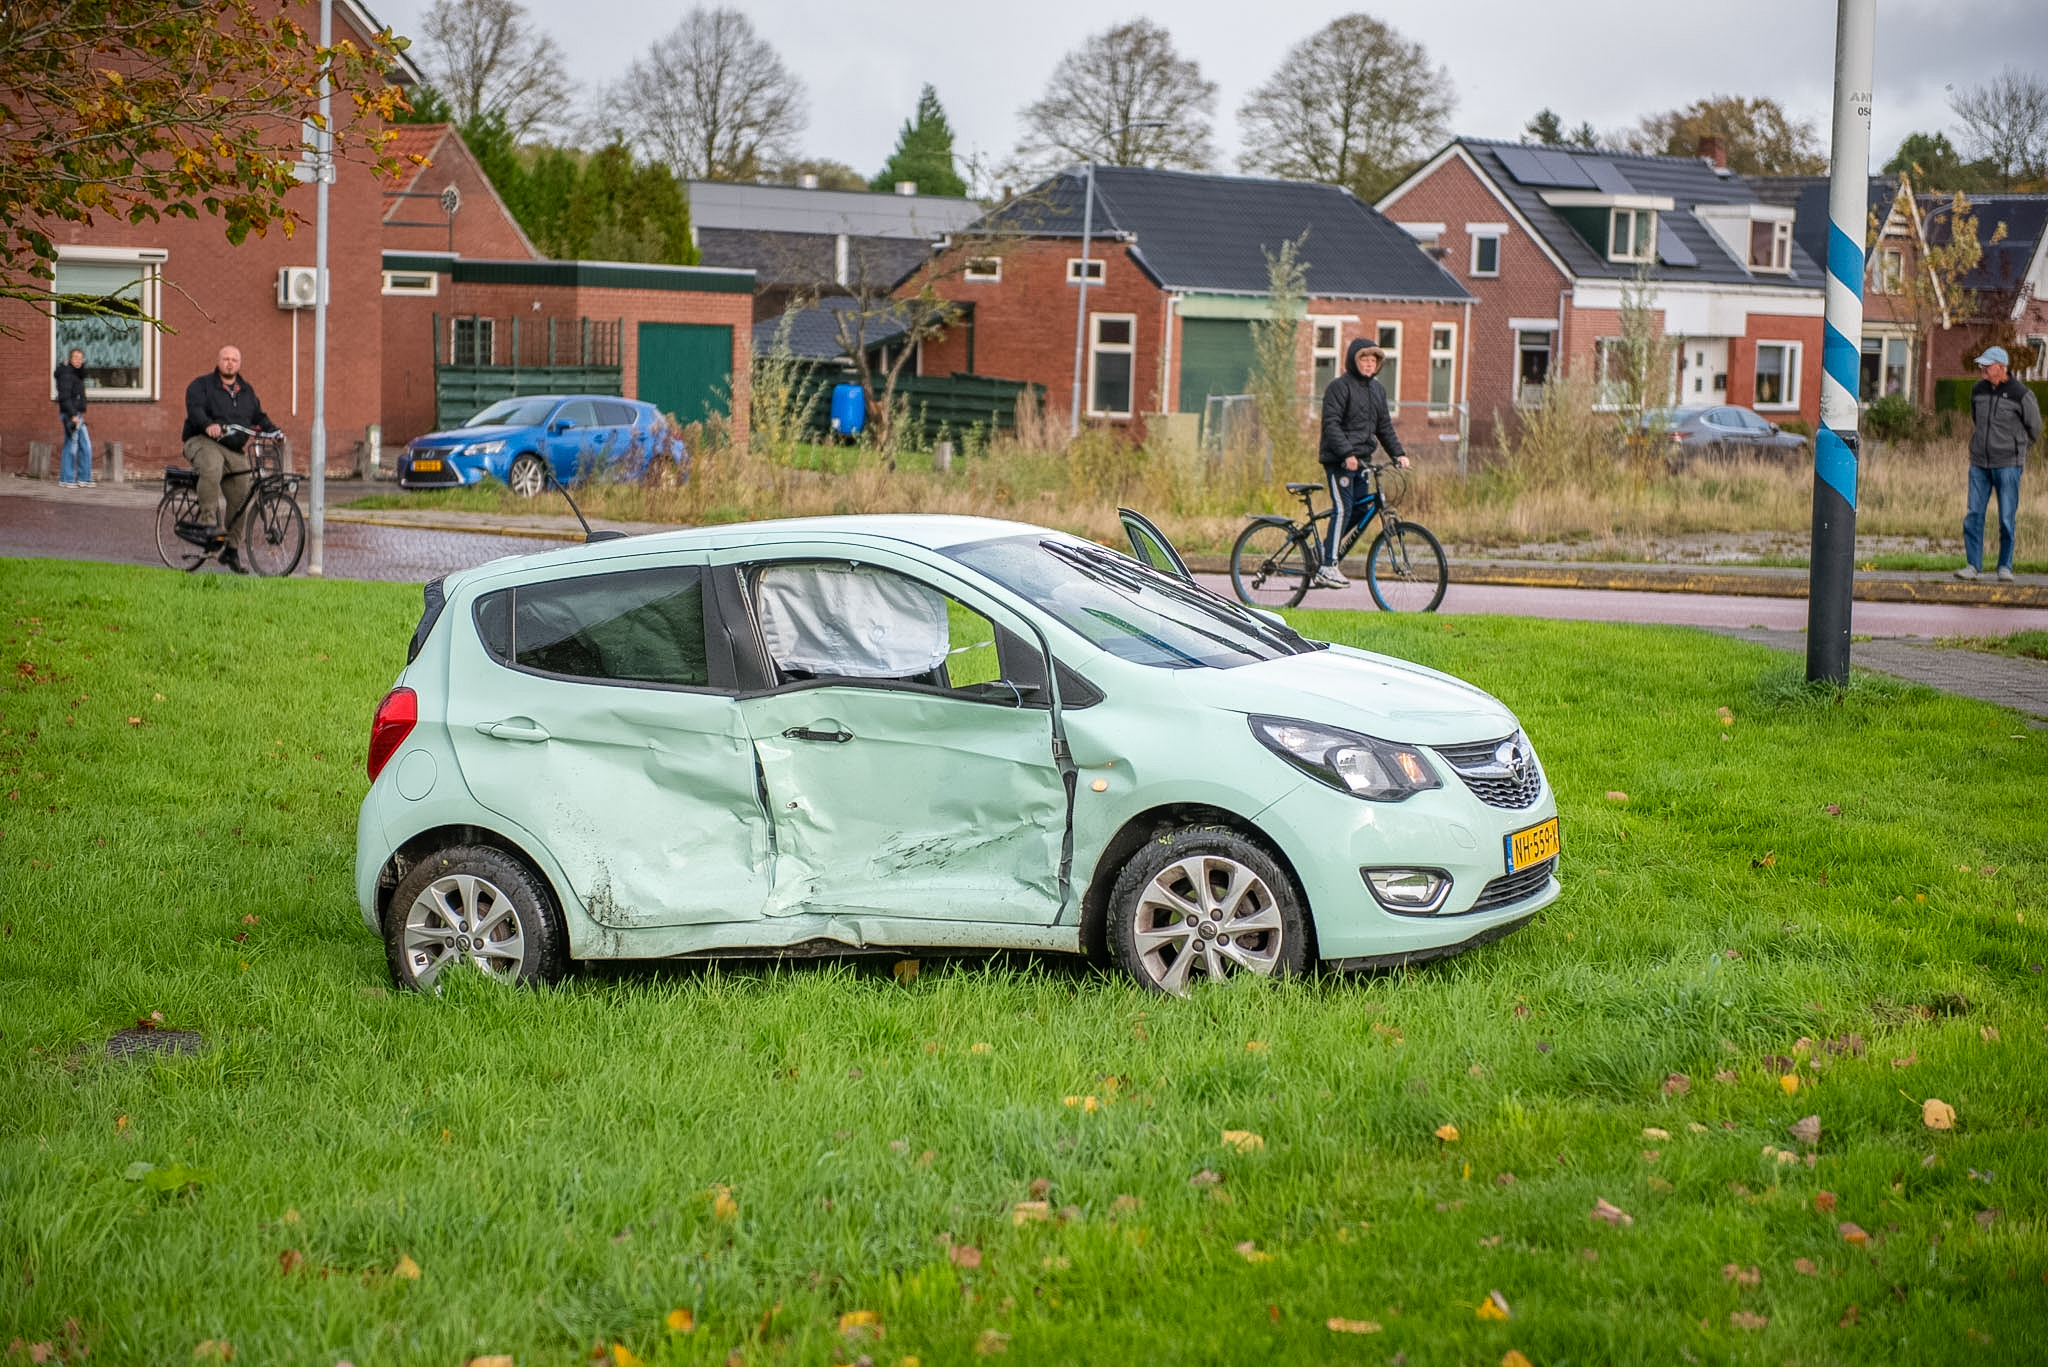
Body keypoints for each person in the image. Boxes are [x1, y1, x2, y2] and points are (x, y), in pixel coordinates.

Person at [1317, 338, 1410, 587]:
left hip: (1363, 463)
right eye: (1364, 360)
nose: (1369, 365)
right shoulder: (1339, 387)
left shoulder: (1377, 391)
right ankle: (1327, 566)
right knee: (1344, 508)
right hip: (1339, 462)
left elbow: (1384, 427)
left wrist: (1398, 454)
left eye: (1373, 360)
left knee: (1360, 510)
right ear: (1354, 361)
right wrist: (1347, 454)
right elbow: (1331, 424)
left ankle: (1327, 550)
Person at [181, 345, 274, 573]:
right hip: (202, 440)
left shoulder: (247, 391)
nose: (230, 363)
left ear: (239, 364)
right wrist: (207, 424)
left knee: (242, 495)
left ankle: (231, 550)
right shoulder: (201, 385)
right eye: (226, 359)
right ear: (218, 361)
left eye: (234, 359)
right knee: (212, 466)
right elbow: (195, 410)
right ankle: (208, 524)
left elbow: (258, 416)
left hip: (233, 448)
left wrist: (275, 431)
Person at [1957, 345, 2040, 583]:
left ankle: (2005, 566)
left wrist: (2017, 449)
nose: (1982, 369)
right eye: (1982, 364)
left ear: (2001, 368)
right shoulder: (1977, 391)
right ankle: (1973, 565)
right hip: (1979, 463)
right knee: (1973, 514)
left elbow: (2034, 427)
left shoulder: (2021, 394)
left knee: (2006, 517)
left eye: (1987, 365)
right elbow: (1976, 418)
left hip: (2008, 465)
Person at [54, 347, 93, 487]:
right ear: (70, 359)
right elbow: (64, 396)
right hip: (70, 414)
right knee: (71, 445)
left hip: (77, 414)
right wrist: (72, 415)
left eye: (80, 358)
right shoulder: (66, 374)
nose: (78, 360)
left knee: (85, 446)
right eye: (76, 357)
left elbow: (78, 396)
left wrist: (80, 412)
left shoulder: (77, 374)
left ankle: (84, 478)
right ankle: (66, 479)